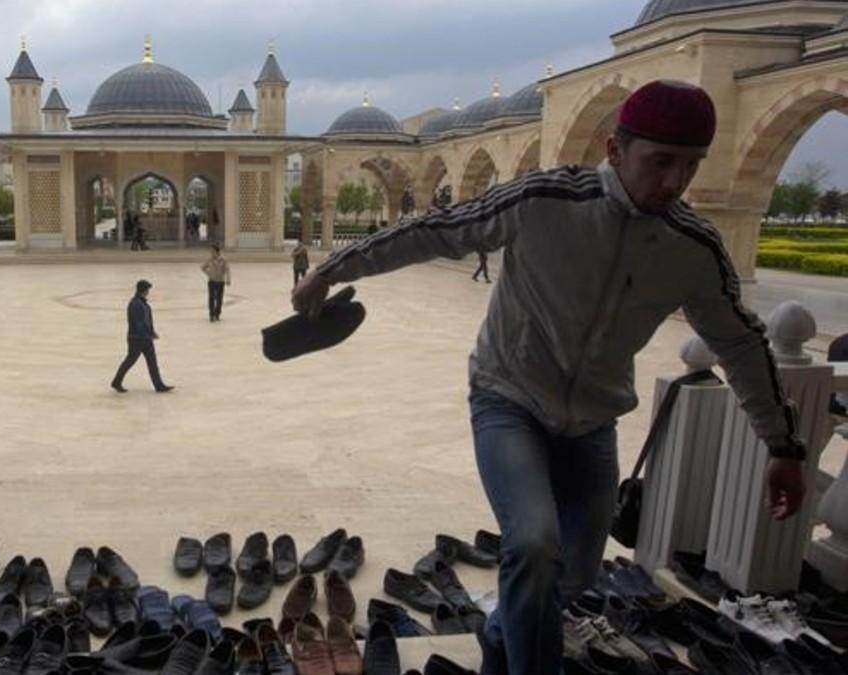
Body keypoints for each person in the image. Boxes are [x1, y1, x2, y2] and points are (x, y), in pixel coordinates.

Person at [292, 80, 806, 675]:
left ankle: (499, 634)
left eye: (689, 166)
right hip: (508, 399)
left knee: (577, 573)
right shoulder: (547, 199)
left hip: (592, 422)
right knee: (534, 545)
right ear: (615, 149)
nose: (673, 182)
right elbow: (438, 228)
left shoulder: (691, 246)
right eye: (659, 162)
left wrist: (781, 444)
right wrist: (331, 269)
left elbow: (740, 343)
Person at [111, 279, 173, 393]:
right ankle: (116, 381)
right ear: (143, 290)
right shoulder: (136, 304)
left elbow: (147, 320)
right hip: (137, 339)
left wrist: (151, 332)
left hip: (145, 338)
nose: (148, 292)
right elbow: (139, 323)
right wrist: (147, 334)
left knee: (152, 362)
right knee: (130, 361)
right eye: (148, 289)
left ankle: (158, 385)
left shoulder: (142, 303)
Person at [200, 244, 230, 321]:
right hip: (212, 281)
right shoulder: (209, 259)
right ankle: (211, 314)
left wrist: (228, 279)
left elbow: (227, 270)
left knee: (219, 299)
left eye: (213, 251)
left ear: (217, 252)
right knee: (211, 298)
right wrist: (209, 273)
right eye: (211, 252)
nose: (211, 253)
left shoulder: (223, 260)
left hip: (220, 281)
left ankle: (217, 313)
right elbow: (202, 267)